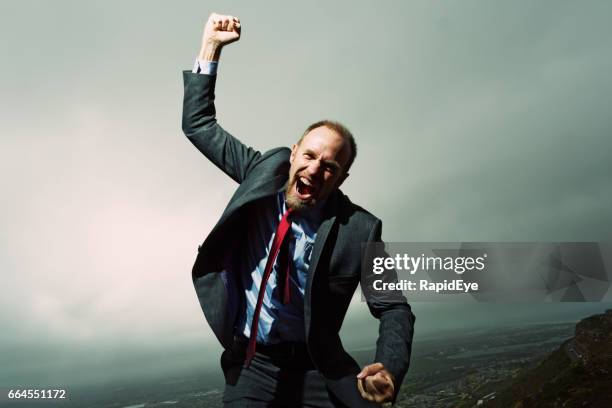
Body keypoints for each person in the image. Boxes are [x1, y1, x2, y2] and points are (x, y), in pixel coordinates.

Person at [181, 12, 415, 407]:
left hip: (318, 369)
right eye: (309, 155)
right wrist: (210, 48)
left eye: (330, 167)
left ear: (341, 178)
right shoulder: (261, 173)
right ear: (292, 155)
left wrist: (389, 366)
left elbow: (393, 306)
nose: (315, 169)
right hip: (252, 363)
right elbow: (199, 124)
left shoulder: (360, 229)